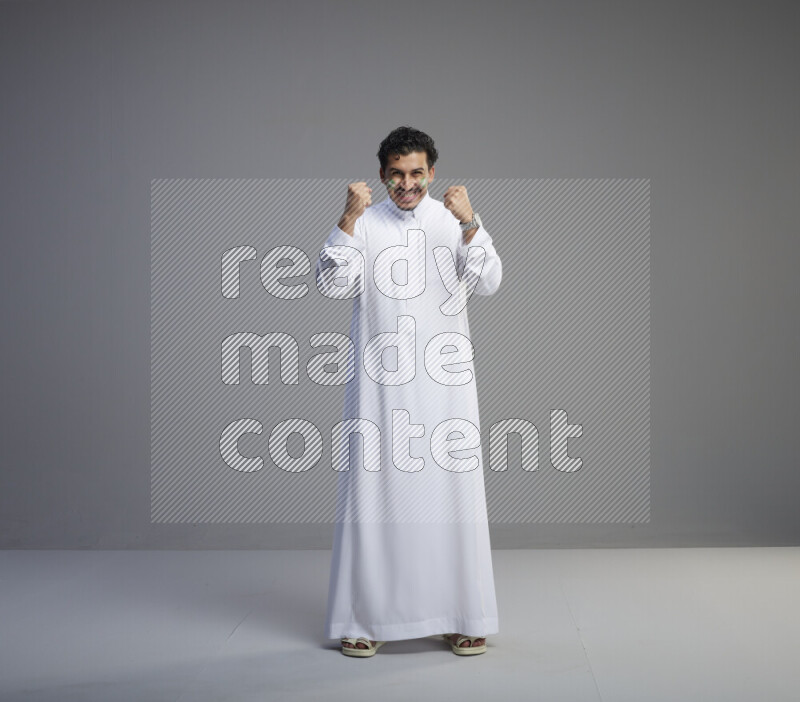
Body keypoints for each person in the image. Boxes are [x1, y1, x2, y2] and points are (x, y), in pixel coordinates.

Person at [315, 126, 502, 657]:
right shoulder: (365, 223)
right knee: (373, 496)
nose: (407, 184)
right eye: (396, 174)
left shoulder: (451, 220)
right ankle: (363, 619)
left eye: (416, 173)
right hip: (380, 386)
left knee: (450, 497)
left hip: (445, 388)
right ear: (381, 176)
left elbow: (487, 281)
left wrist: (471, 221)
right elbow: (333, 283)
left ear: (432, 174)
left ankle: (463, 614)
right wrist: (348, 217)